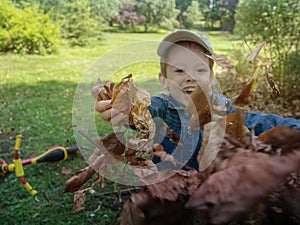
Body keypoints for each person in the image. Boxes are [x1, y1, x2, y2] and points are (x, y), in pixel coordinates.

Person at [93, 29, 300, 170]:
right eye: (180, 70)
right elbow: (145, 111)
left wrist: (293, 128)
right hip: (170, 191)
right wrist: (124, 106)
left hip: (213, 193)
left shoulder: (222, 110)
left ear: (211, 77)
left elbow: (261, 123)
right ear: (163, 80)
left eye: (199, 69)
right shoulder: (163, 108)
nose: (190, 77)